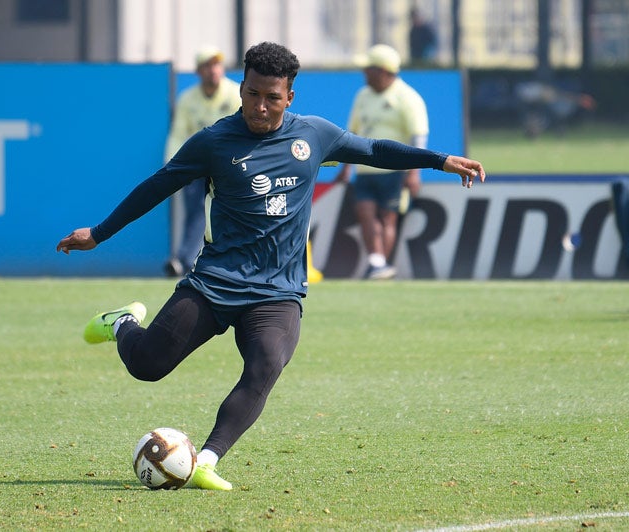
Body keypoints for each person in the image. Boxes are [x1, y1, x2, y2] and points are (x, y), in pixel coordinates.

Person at [56, 41, 485, 490]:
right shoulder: (213, 142)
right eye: (254, 94)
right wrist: (99, 233)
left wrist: (438, 160)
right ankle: (123, 322)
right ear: (241, 89)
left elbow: (374, 149)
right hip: (214, 282)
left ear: (290, 98)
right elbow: (157, 186)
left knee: (266, 365)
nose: (261, 106)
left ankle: (205, 459)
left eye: (272, 98)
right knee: (148, 365)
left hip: (276, 292)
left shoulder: (314, 135)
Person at [335, 44, 429, 279]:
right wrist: (346, 167)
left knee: (388, 217)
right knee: (364, 211)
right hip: (365, 169)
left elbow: (417, 135)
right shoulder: (363, 96)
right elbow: (352, 133)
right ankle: (378, 262)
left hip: (394, 168)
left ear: (384, 71)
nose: (364, 73)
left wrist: (414, 172)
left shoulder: (407, 97)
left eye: (369, 68)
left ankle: (380, 264)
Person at [164, 46, 242, 277]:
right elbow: (179, 133)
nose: (213, 70)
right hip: (197, 166)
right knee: (197, 211)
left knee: (232, 213)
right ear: (198, 71)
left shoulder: (235, 93)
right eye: (207, 66)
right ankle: (187, 260)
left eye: (216, 64)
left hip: (230, 165)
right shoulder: (188, 99)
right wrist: (173, 166)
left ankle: (202, 261)